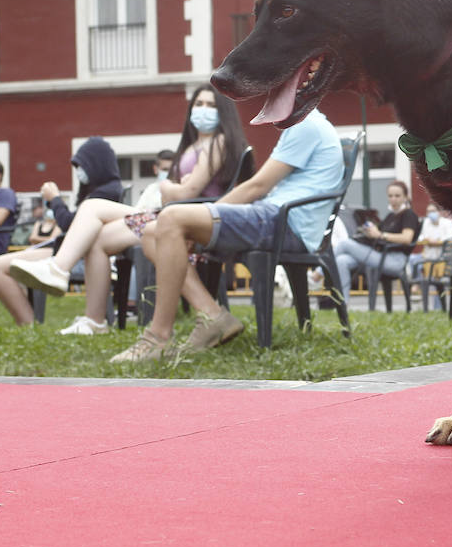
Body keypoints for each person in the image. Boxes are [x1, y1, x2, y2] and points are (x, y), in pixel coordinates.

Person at [106, 104, 342, 363]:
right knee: (152, 232)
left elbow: (258, 186)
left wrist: (206, 217)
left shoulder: (306, 124)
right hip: (277, 217)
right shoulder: (307, 124)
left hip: (284, 223)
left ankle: (158, 337)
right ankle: (212, 315)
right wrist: (203, 221)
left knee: (171, 218)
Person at [9, 88, 248, 334]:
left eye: (211, 105)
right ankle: (88, 312)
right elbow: (183, 188)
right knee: (95, 227)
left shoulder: (217, 141)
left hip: (187, 219)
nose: (203, 110)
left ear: (223, 112)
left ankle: (62, 274)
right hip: (168, 213)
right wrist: (174, 188)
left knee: (94, 216)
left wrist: (167, 186)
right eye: (198, 103)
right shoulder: (195, 144)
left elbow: (190, 190)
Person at [0, 136, 124, 326]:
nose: (79, 172)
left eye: (82, 166)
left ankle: (29, 324)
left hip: (75, 255)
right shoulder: (99, 191)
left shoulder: (107, 192)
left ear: (96, 164)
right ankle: (29, 323)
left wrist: (55, 199)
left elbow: (70, 224)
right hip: (65, 250)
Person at [332, 180, 421, 302]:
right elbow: (377, 234)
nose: (393, 199)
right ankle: (344, 304)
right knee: (341, 261)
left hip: (395, 260)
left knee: (344, 244)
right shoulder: (390, 216)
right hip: (378, 255)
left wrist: (380, 235)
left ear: (405, 197)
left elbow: (407, 238)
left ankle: (318, 273)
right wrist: (369, 232)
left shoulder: (409, 215)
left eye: (397, 196)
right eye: (390, 196)